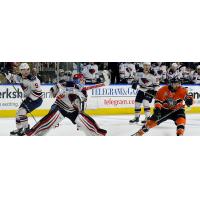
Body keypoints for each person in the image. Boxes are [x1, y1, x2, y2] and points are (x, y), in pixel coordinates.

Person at [24, 73, 107, 136]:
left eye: (82, 80)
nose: (83, 81)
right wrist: (54, 89)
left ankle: (97, 130)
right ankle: (34, 131)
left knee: (83, 118)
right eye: (81, 80)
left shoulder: (83, 91)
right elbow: (58, 85)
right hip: (61, 107)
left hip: (73, 110)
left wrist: (79, 121)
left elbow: (82, 105)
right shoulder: (70, 84)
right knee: (51, 116)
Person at [1, 63, 43, 135]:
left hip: (37, 99)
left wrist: (29, 99)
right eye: (23, 70)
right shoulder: (20, 77)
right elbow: (11, 77)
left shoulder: (33, 80)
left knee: (22, 111)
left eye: (27, 69)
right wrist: (6, 73)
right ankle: (19, 129)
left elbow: (38, 93)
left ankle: (26, 129)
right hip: (29, 98)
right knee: (18, 113)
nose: (26, 71)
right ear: (20, 71)